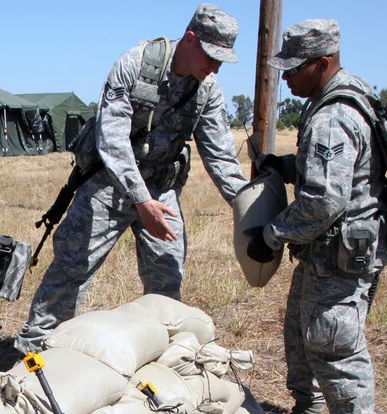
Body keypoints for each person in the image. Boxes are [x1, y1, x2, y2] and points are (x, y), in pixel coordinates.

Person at [15, 3, 248, 354]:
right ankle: (34, 353)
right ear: (189, 39)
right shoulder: (135, 65)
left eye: (222, 61)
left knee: (167, 283)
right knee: (70, 272)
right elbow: (112, 139)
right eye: (211, 56)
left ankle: (161, 359)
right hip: (108, 186)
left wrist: (248, 210)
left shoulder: (207, 90)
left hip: (161, 192)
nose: (215, 67)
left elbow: (221, 158)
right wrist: (141, 200)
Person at [246, 19, 382, 414]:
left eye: (293, 69)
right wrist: (284, 166)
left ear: (322, 64)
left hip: (338, 253)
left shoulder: (332, 116)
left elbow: (325, 200)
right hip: (327, 250)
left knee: (333, 341)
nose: (285, 77)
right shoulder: (340, 100)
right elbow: (331, 172)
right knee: (300, 330)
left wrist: (272, 234)